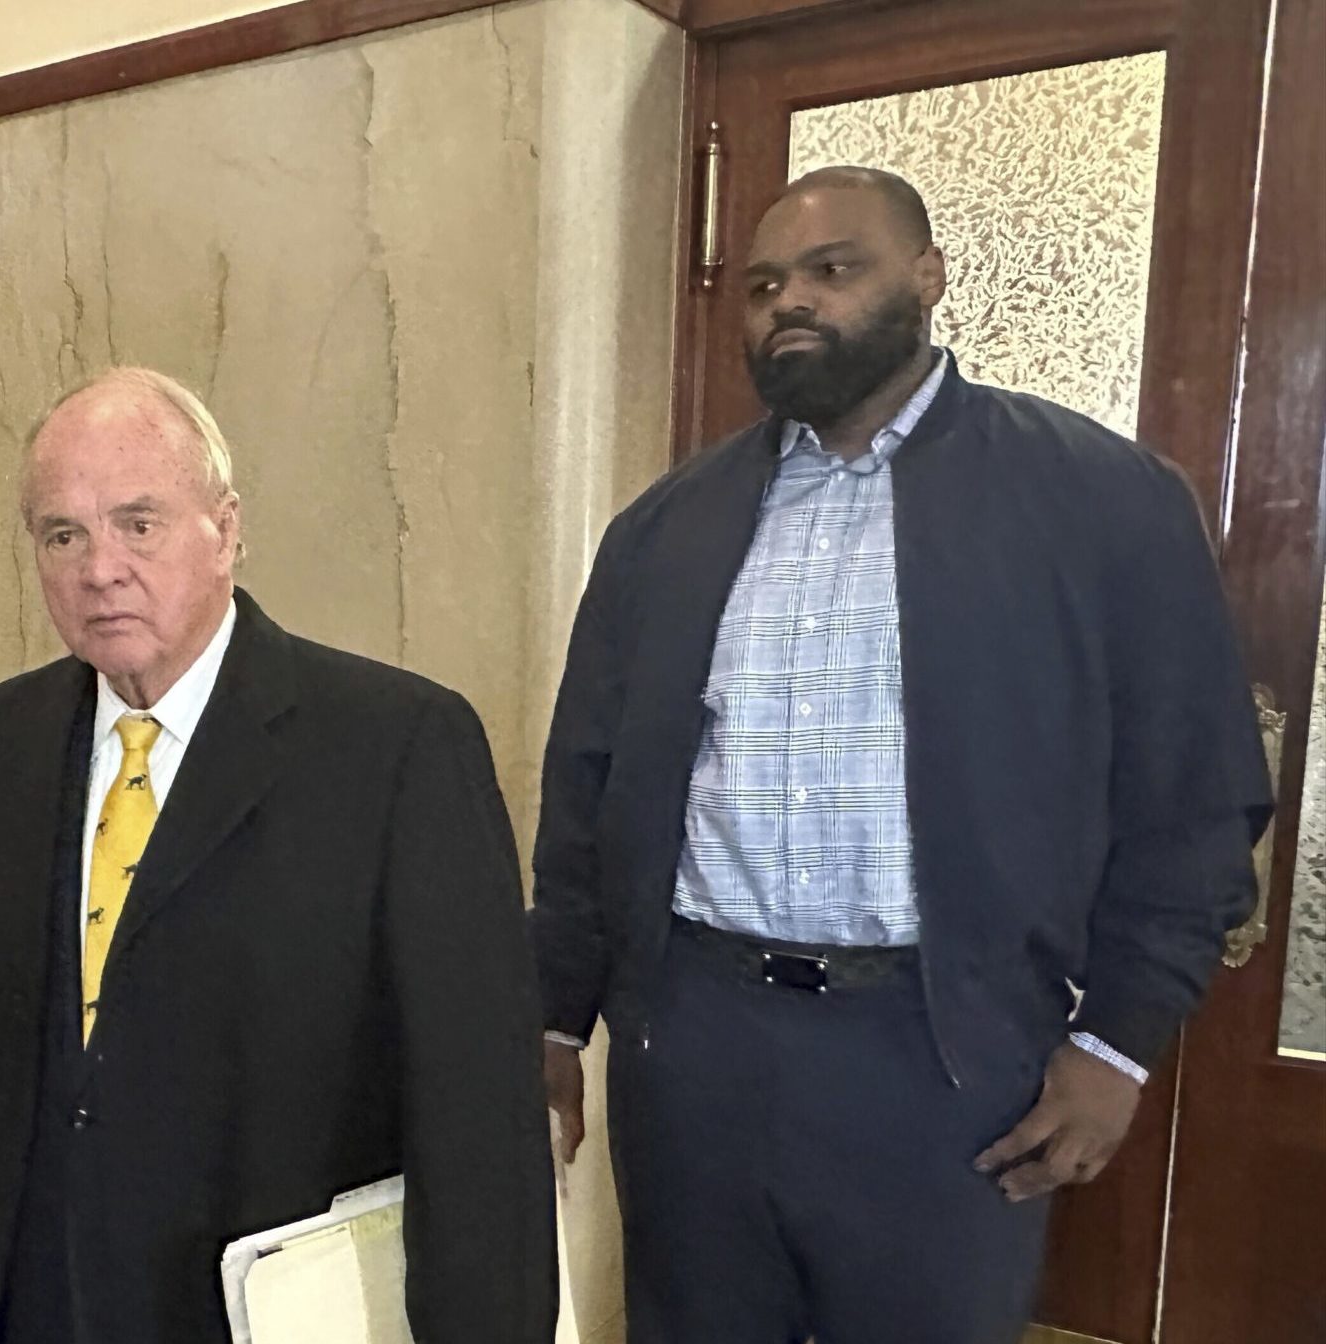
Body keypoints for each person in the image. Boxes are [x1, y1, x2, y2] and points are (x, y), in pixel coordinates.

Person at [528, 166, 1274, 1343]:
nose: (792, 303)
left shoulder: (1101, 503)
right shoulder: (665, 532)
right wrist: (555, 1020)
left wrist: (1116, 1042)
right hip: (694, 1045)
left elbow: (1193, 800)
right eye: (766, 282)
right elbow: (587, 792)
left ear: (926, 280)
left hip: (943, 1054)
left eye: (835, 270)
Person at [0, 367, 557, 1343]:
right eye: (62, 534)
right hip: (26, 1300)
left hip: (254, 1309)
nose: (100, 568)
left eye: (139, 522)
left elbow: (478, 1124)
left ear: (227, 531)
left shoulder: (396, 749)